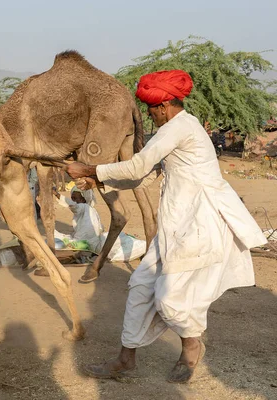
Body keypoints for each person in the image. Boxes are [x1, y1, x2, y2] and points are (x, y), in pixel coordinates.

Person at [66, 70, 267, 383]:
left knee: (171, 299)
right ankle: (125, 359)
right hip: (175, 225)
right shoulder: (174, 130)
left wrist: (90, 167)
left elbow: (138, 164)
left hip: (198, 223)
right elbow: (142, 175)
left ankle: (191, 347)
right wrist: (98, 178)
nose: (150, 116)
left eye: (150, 110)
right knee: (139, 289)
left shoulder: (179, 128)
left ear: (163, 107)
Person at [53, 186, 103, 253]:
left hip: (84, 241)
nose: (73, 201)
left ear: (83, 199)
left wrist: (57, 194)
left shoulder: (83, 206)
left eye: (75, 198)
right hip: (93, 242)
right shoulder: (92, 210)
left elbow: (73, 205)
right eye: (72, 198)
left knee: (58, 240)